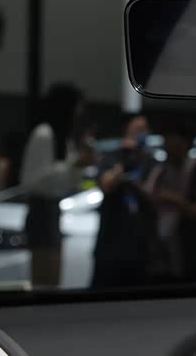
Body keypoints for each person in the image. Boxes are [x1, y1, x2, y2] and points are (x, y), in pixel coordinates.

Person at [20, 83, 90, 287]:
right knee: (44, 277)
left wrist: (78, 166)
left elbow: (67, 179)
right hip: (42, 208)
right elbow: (33, 180)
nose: (78, 113)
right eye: (77, 107)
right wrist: (74, 165)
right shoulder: (44, 134)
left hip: (52, 207)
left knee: (52, 277)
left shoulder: (62, 137)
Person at [144, 124, 196, 283]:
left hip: (192, 262)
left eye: (173, 143)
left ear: (185, 144)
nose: (167, 148)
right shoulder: (159, 172)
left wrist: (177, 201)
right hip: (162, 261)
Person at [92, 113, 158, 288]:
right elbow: (105, 185)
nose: (142, 133)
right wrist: (123, 161)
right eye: (138, 129)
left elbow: (153, 195)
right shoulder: (111, 156)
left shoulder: (150, 160)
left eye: (145, 129)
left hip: (140, 243)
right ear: (126, 131)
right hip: (111, 241)